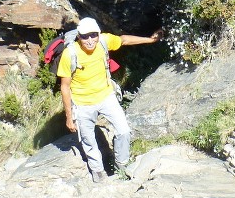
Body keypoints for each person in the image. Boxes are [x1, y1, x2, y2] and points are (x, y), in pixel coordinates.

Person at [58, 17, 162, 182]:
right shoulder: (70, 54)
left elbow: (124, 40)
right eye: (85, 36)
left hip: (106, 96)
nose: (90, 40)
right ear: (79, 36)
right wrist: (69, 117)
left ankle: (122, 165)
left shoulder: (104, 41)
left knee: (124, 131)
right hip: (82, 103)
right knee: (88, 140)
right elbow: (65, 86)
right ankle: (98, 172)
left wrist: (150, 40)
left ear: (99, 34)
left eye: (94, 35)